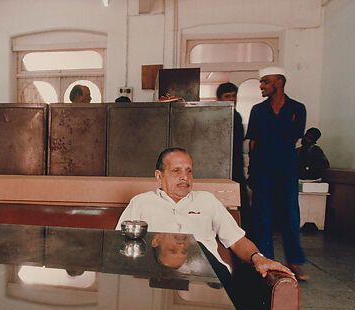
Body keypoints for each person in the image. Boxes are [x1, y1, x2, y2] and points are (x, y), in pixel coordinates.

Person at [116, 148, 296, 287]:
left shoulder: (207, 200)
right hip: (156, 273)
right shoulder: (141, 202)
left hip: (206, 274)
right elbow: (118, 243)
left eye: (189, 171)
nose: (184, 177)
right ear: (159, 176)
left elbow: (236, 240)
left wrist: (258, 257)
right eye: (176, 171)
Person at [246, 66, 309, 280]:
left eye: (265, 81)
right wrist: (252, 171)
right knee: (262, 218)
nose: (262, 86)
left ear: (279, 82)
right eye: (261, 82)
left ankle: (294, 261)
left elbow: (293, 138)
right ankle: (267, 262)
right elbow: (253, 143)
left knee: (290, 216)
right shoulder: (257, 110)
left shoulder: (297, 109)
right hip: (263, 171)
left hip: (287, 171)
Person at [216, 82, 251, 234]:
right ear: (219, 99)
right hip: (220, 168)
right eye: (227, 96)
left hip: (235, 168)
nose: (232, 99)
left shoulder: (236, 117)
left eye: (233, 96)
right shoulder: (218, 117)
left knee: (240, 205)